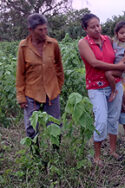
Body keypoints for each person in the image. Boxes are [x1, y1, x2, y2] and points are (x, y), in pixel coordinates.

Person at [78, 13, 125, 166]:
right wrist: (117, 67)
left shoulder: (108, 40)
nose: (97, 29)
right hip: (96, 87)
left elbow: (120, 55)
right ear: (85, 28)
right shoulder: (83, 43)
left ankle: (112, 151)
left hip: (115, 83)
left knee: (113, 118)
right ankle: (97, 156)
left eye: (98, 25)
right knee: (100, 120)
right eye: (92, 27)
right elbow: (94, 63)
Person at [16, 13, 64, 153]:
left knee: (54, 125)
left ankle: (56, 154)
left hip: (52, 92)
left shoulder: (53, 44)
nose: (44, 32)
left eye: (45, 29)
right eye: (40, 30)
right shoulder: (23, 47)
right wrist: (21, 96)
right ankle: (36, 157)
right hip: (31, 93)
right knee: (31, 128)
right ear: (30, 30)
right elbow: (20, 73)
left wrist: (58, 87)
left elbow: (59, 69)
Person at [106, 21, 125, 102]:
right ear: (116, 33)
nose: (124, 35)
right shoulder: (114, 41)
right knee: (122, 85)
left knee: (108, 73)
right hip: (115, 66)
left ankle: (113, 91)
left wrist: (118, 66)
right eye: (121, 33)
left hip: (122, 67)